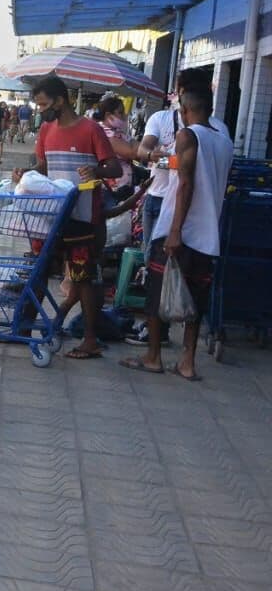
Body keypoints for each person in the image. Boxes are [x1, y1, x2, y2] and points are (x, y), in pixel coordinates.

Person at [120, 89, 233, 381]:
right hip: (208, 236)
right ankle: (187, 362)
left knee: (157, 296)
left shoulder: (188, 136)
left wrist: (174, 231)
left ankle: (153, 357)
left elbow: (185, 185)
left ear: (185, 109)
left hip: (179, 231)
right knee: (196, 300)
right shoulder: (223, 139)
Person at [14, 75, 121, 359]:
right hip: (52, 215)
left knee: (83, 278)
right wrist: (27, 175)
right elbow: (42, 166)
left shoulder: (91, 129)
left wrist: (97, 171)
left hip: (84, 218)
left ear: (60, 101)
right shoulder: (46, 130)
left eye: (44, 104)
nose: (40, 110)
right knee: (39, 270)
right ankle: (21, 329)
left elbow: (115, 169)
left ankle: (90, 340)